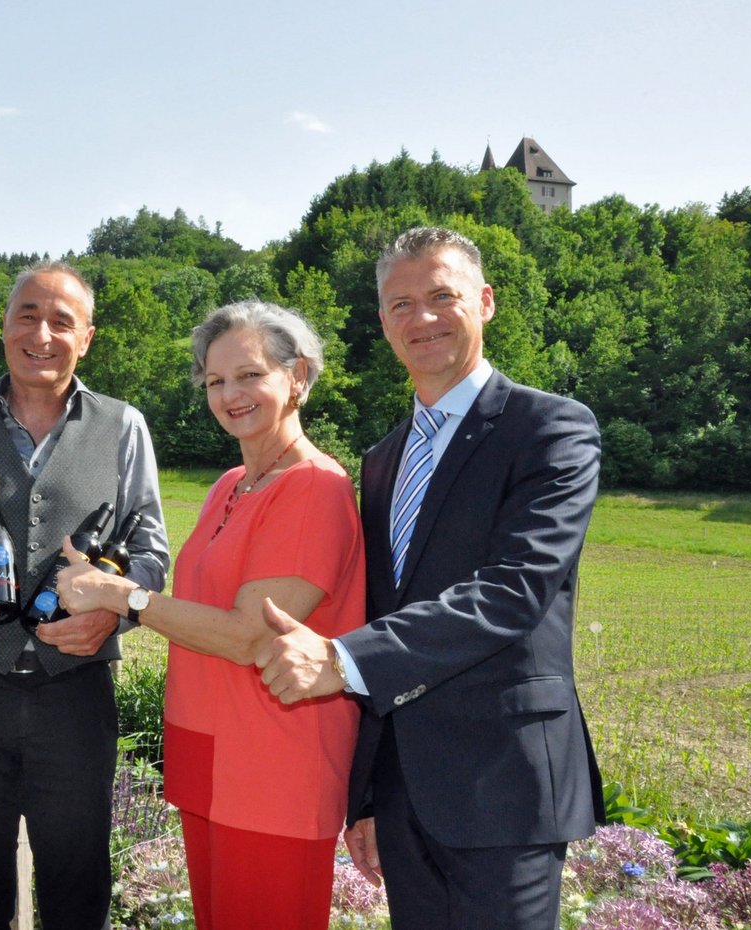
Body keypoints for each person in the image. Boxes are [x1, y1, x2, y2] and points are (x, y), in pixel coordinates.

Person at [255, 226, 604, 930]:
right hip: (408, 795)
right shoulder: (382, 459)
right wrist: (372, 795)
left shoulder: (552, 430)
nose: (423, 318)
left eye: (442, 296)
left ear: (486, 302)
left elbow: (515, 591)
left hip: (506, 787)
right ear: (383, 322)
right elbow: (385, 605)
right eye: (401, 304)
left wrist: (341, 657)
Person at [56, 300, 364, 929]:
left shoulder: (314, 488)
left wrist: (123, 599)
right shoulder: (231, 482)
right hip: (211, 757)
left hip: (273, 770)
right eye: (216, 380)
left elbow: (252, 635)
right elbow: (204, 603)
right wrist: (106, 575)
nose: (230, 393)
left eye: (250, 375)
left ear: (298, 376)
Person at [0, 260, 169, 930]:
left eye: (61, 321)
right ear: (4, 325)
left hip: (75, 694)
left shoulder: (124, 426)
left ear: (88, 338)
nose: (41, 333)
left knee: (78, 887)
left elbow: (154, 554)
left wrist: (111, 618)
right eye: (28, 315)